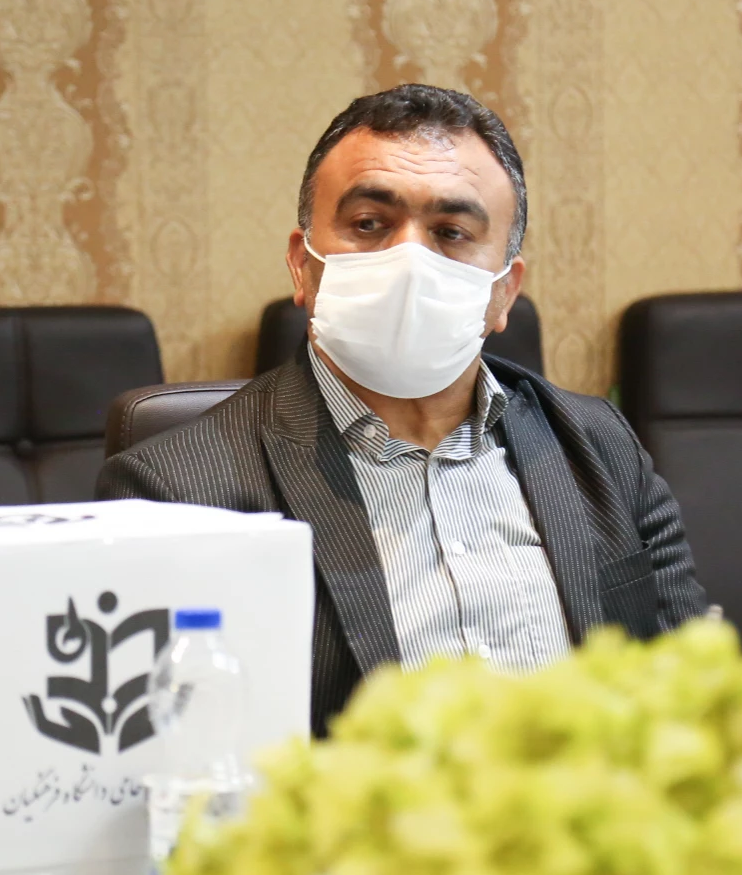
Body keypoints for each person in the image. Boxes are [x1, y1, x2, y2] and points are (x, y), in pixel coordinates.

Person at [97, 83, 707, 734]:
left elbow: (694, 691)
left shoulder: (598, 443)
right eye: (369, 224)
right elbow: (174, 754)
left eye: (452, 232)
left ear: (504, 293)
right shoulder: (177, 493)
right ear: (302, 266)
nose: (409, 260)